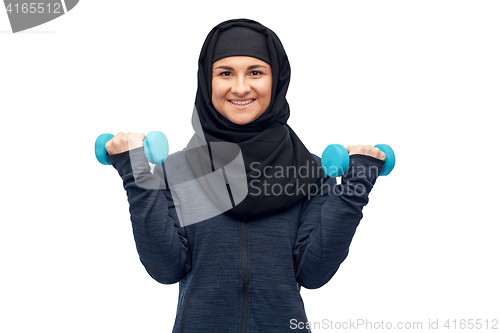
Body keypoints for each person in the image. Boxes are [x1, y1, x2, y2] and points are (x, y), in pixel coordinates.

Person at [104, 19, 386, 333]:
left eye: (256, 72)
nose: (240, 87)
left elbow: (314, 273)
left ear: (275, 80)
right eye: (225, 73)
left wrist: (356, 184)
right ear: (207, 81)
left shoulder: (312, 172)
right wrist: (136, 172)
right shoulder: (177, 170)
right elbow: (166, 269)